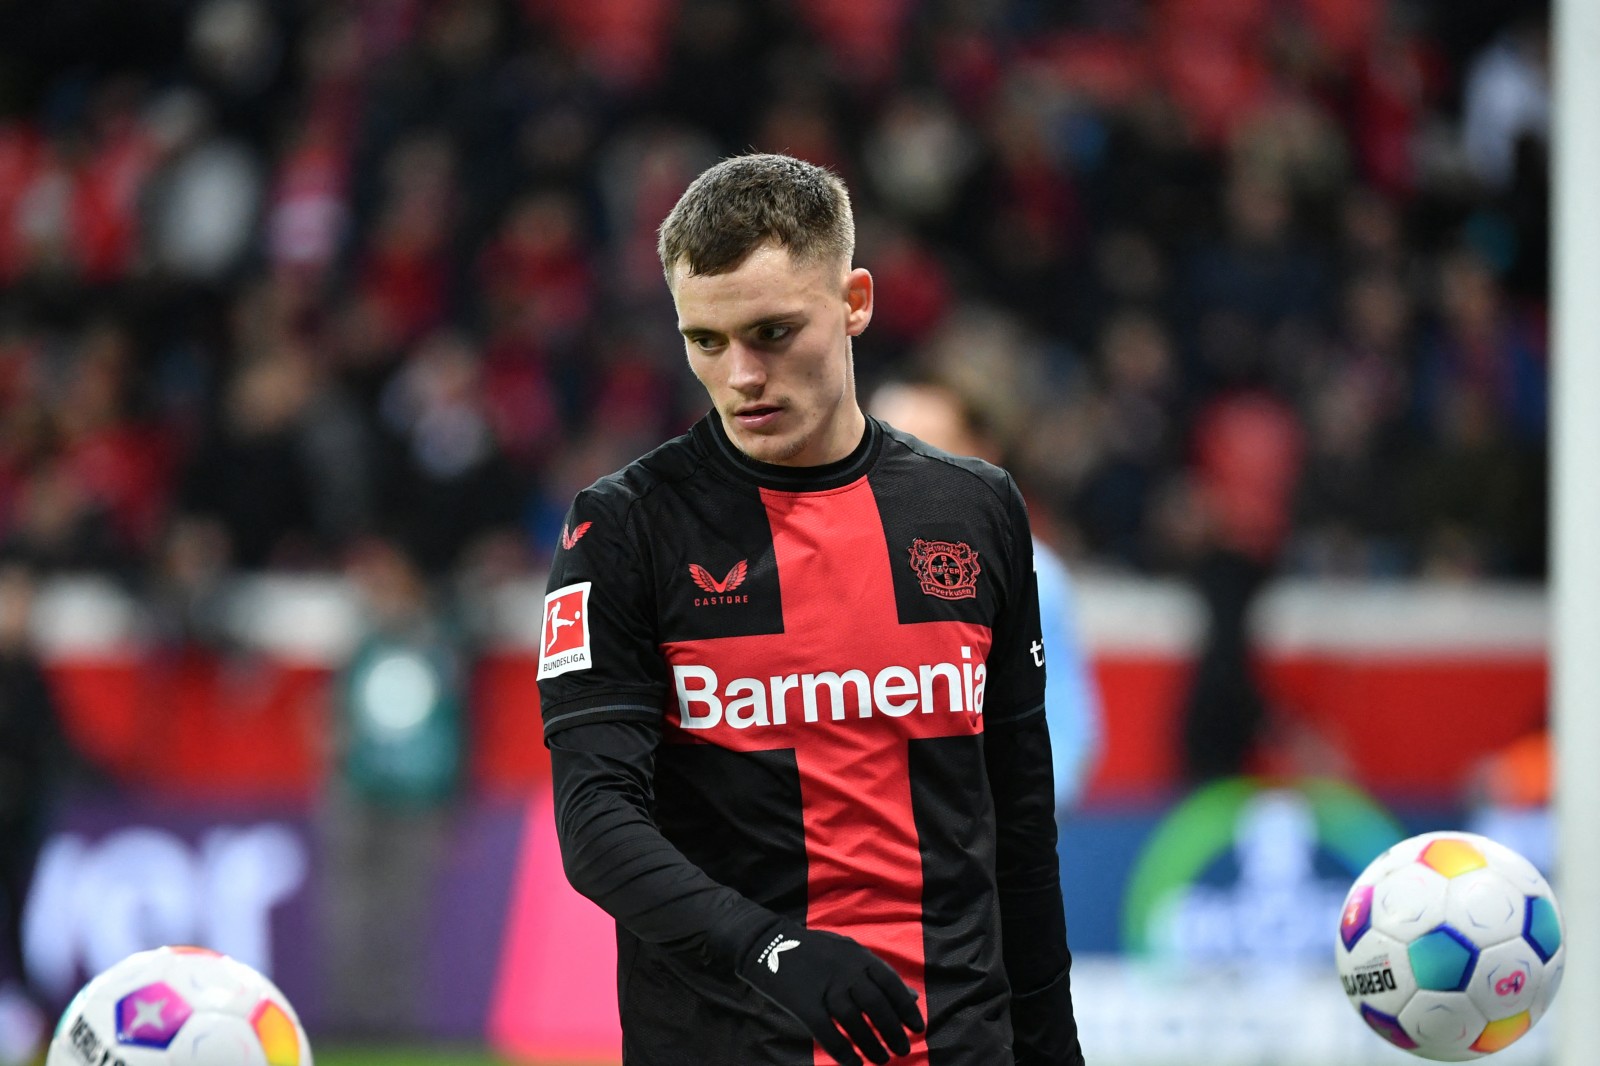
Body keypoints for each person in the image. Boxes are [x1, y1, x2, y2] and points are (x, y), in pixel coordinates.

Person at [537, 153, 1084, 1066]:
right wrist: (769, 948)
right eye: (706, 341)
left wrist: (1053, 1048)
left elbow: (1020, 827)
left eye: (773, 332)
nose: (741, 375)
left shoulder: (975, 510)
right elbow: (595, 824)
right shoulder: (624, 528)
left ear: (855, 301)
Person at [867, 377, 1104, 812]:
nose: (900, 471)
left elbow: (1065, 736)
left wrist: (994, 824)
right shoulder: (830, 570)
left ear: (979, 455)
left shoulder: (1032, 574)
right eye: (885, 449)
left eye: (926, 450)